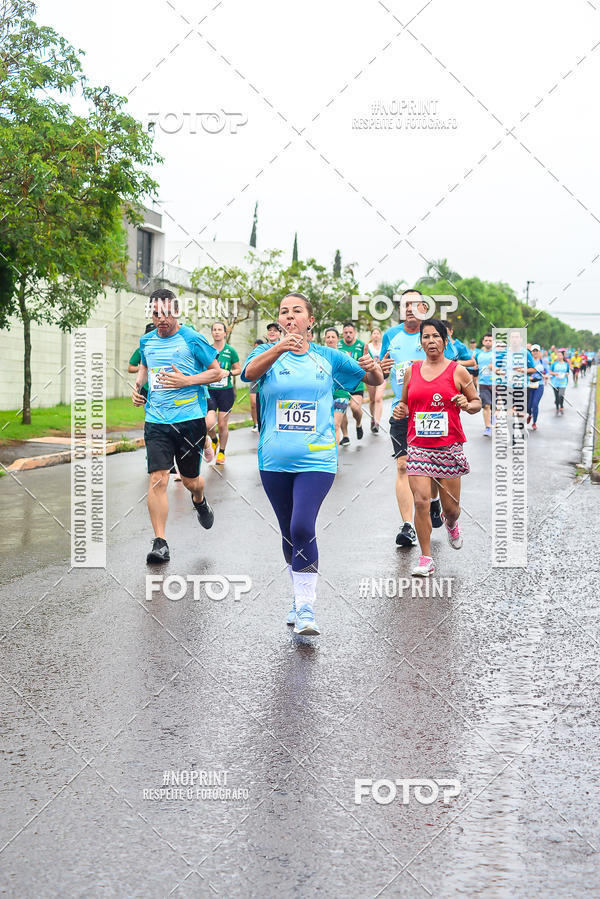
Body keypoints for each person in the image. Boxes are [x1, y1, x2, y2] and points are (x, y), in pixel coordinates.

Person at [241, 292, 383, 636]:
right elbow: (247, 374)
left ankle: (306, 607)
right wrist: (278, 348)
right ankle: (297, 595)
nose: (290, 317)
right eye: (284, 313)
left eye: (297, 312)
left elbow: (373, 381)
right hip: (274, 458)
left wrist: (373, 366)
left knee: (303, 525)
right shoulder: (266, 353)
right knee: (289, 531)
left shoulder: (328, 357)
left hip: (317, 457)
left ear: (310, 321)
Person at [132, 289, 224, 564]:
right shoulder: (146, 341)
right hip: (156, 421)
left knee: (189, 481)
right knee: (157, 478)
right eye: (156, 313)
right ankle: (160, 542)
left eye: (167, 313)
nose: (162, 319)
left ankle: (199, 499)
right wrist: (138, 388)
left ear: (177, 311)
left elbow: (217, 371)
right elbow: (144, 369)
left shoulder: (192, 339)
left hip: (189, 421)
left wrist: (188, 381)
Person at [393, 319, 481, 576]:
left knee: (451, 508)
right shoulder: (413, 371)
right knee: (420, 501)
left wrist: (466, 403)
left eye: (435, 336)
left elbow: (476, 403)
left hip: (448, 446)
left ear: (444, 341)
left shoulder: (457, 372)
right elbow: (405, 405)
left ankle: (451, 523)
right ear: (420, 343)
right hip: (418, 445)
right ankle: (426, 557)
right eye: (425, 337)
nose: (430, 341)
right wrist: (402, 410)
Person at [380, 289, 445, 547]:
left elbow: (447, 366)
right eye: (404, 304)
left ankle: (434, 500)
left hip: (432, 413)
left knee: (434, 468)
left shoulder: (433, 332)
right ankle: (408, 526)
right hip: (402, 410)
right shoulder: (390, 336)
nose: (409, 308)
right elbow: (382, 371)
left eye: (414, 304)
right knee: (404, 466)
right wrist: (379, 370)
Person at [206, 321, 241, 464]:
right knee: (209, 424)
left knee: (222, 424)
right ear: (212, 333)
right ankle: (214, 440)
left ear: (225, 333)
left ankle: (221, 452)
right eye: (214, 330)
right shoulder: (207, 349)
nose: (217, 332)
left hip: (225, 392)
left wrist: (229, 372)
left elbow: (239, 369)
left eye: (220, 330)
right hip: (210, 391)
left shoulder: (230, 351)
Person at [338, 322, 366, 440]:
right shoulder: (338, 345)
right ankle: (345, 435)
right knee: (342, 410)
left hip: (357, 384)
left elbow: (368, 362)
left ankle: (358, 424)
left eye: (350, 332)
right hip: (341, 385)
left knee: (355, 408)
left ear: (354, 333)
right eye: (346, 333)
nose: (348, 335)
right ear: (342, 334)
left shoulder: (362, 345)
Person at [325, 328, 350, 446]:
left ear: (337, 339)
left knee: (335, 425)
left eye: (333, 337)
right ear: (325, 339)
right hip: (324, 395)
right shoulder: (319, 355)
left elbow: (351, 373)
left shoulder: (343, 355)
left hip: (341, 394)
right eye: (328, 337)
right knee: (325, 427)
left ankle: (334, 461)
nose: (330, 339)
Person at [365, 326, 385, 433]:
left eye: (378, 333)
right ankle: (372, 419)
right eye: (374, 333)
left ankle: (377, 422)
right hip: (370, 375)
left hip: (381, 375)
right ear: (371, 336)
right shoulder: (368, 347)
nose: (376, 335)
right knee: (372, 399)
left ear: (380, 336)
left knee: (378, 398)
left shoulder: (383, 346)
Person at [476, 333, 495, 437]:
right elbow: (476, 365)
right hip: (483, 383)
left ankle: (493, 418)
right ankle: (487, 427)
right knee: (486, 405)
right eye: (486, 340)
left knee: (494, 406)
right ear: (483, 342)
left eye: (490, 340)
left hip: (495, 383)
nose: (488, 342)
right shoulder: (479, 354)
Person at [527, 344, 550, 430]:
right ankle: (529, 414)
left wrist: (546, 376)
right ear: (531, 352)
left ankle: (534, 423)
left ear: (540, 352)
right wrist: (529, 377)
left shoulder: (543, 363)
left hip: (539, 385)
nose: (535, 353)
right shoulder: (528, 362)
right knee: (529, 406)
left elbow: (547, 373)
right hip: (529, 385)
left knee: (535, 404)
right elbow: (524, 373)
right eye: (534, 351)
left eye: (537, 351)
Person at [249, 338, 265, 432]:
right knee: (253, 404)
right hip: (254, 380)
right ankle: (255, 423)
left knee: (260, 403)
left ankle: (261, 422)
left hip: (262, 379)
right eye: (255, 347)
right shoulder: (252, 355)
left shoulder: (265, 354)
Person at [550, 350, 569, 414]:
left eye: (560, 355)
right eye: (558, 355)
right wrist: (555, 374)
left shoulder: (566, 364)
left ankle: (561, 406)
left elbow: (568, 372)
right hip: (555, 382)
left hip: (563, 382)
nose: (559, 356)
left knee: (561, 395)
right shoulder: (554, 364)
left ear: (563, 356)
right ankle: (557, 407)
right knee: (556, 396)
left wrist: (566, 374)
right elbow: (550, 372)